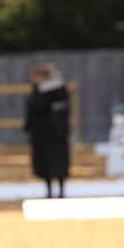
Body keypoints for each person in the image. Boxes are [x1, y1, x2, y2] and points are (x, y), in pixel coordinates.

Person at [23, 63, 71, 198]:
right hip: (42, 134)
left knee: (57, 161)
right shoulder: (39, 91)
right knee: (45, 164)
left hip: (54, 133)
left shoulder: (53, 91)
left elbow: (40, 108)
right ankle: (50, 190)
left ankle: (60, 190)